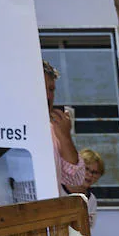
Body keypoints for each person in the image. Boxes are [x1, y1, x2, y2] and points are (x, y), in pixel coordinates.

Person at [43, 61, 88, 195]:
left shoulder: (54, 128)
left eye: (51, 89)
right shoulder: (2, 126)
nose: (48, 96)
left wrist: (64, 135)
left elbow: (75, 179)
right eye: (41, 88)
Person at [78, 148, 105, 228]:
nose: (90, 175)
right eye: (86, 169)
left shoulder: (92, 200)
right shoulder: (58, 190)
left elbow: (88, 229)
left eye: (94, 172)